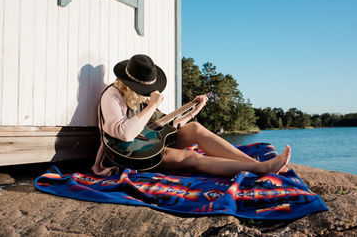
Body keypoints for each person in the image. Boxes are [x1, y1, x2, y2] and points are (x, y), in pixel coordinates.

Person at [92, 54, 291, 176]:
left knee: (195, 128)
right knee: (191, 158)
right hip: (132, 154)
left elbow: (163, 126)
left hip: (148, 141)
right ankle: (261, 169)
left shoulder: (139, 97)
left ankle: (258, 164)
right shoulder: (112, 96)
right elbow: (126, 134)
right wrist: (151, 105)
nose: (148, 93)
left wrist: (193, 111)